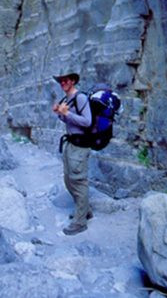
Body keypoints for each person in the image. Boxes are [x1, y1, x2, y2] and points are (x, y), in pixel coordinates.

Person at [52, 71, 93, 235]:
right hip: (70, 143)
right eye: (60, 81)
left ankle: (80, 222)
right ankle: (85, 210)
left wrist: (66, 113)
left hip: (81, 145)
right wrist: (60, 114)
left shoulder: (80, 98)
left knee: (78, 181)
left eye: (65, 80)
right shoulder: (66, 99)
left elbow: (87, 122)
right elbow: (68, 120)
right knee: (68, 179)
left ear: (73, 81)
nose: (62, 83)